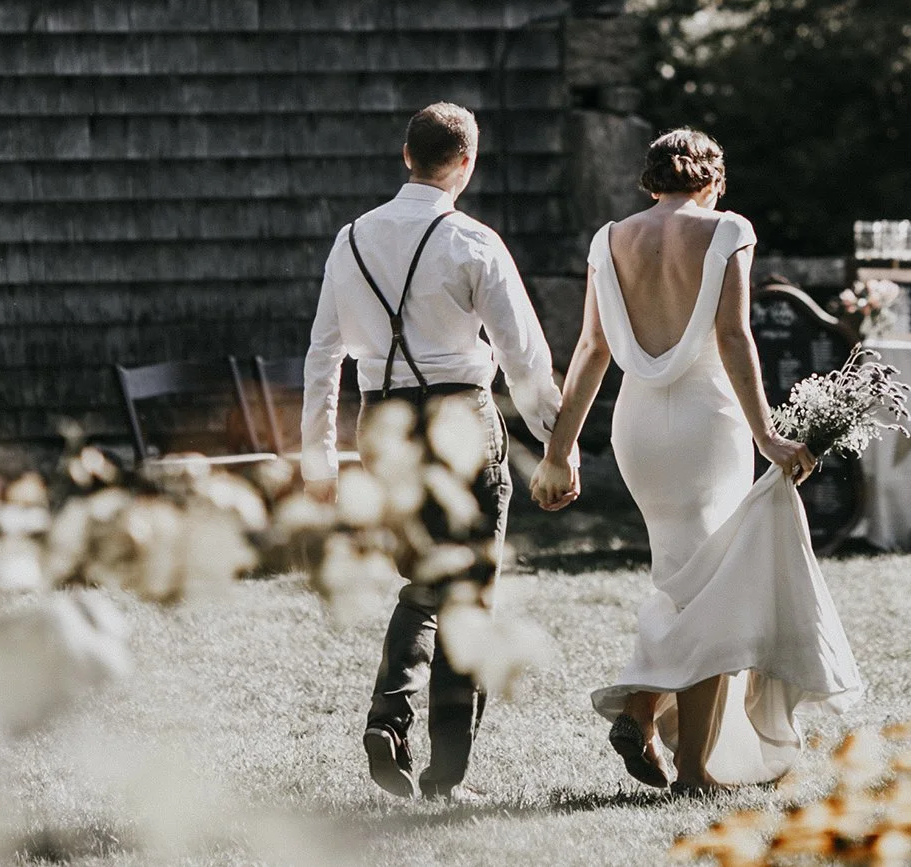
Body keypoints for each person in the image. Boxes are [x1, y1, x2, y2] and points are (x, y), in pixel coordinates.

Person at [530, 128, 864, 792]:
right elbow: (735, 334)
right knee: (717, 588)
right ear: (712, 181)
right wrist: (766, 433)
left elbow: (592, 348)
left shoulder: (608, 239)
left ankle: (646, 712)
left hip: (640, 427)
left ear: (650, 181)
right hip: (709, 424)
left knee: (684, 579)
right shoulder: (727, 228)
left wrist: (559, 450)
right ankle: (684, 762)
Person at [301, 102, 561, 803]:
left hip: (381, 424)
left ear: (404, 154)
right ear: (467, 163)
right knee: (467, 590)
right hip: (461, 421)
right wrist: (557, 444)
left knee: (421, 582)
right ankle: (446, 773)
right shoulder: (473, 241)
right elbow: (524, 359)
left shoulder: (350, 239)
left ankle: (388, 719)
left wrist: (317, 457)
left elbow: (323, 354)